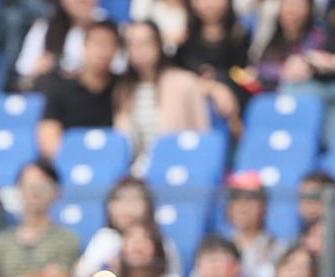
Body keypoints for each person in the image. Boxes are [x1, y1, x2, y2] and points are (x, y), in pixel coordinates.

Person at [113, 20, 210, 171]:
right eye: (132, 44)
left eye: (146, 43)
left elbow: (203, 135)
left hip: (179, 168)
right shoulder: (122, 91)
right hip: (137, 173)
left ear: (159, 45)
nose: (139, 50)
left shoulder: (185, 82)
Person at [36, 19, 122, 161]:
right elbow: (48, 137)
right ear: (84, 46)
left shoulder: (123, 88)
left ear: (117, 49)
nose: (102, 50)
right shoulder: (60, 88)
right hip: (68, 163)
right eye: (97, 43)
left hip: (110, 161)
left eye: (108, 44)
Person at [73, 175, 182, 277]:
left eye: (134, 199)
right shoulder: (106, 239)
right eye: (118, 199)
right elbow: (81, 276)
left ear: (148, 205)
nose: (126, 207)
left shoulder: (162, 243)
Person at [14, 0, 124, 89]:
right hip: (55, 97)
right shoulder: (44, 27)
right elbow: (24, 69)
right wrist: (39, 67)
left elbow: (121, 67)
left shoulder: (109, 28)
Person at [223, 171, 285, 277]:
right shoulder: (220, 247)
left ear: (264, 208)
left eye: (250, 200)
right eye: (236, 199)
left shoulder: (278, 248)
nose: (242, 207)